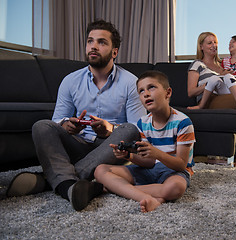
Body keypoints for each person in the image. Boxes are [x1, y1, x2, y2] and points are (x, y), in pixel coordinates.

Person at [6, 19, 147, 211]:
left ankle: (57, 182)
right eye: (90, 41)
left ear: (114, 52)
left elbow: (139, 130)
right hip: (78, 144)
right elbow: (57, 120)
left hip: (111, 149)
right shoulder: (70, 81)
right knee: (42, 126)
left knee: (129, 130)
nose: (93, 47)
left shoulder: (131, 83)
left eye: (101, 42)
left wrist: (110, 130)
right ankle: (78, 184)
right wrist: (67, 126)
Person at [94, 70, 196, 213]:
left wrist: (157, 154)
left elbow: (181, 165)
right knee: (101, 170)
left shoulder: (183, 122)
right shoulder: (143, 123)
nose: (146, 93)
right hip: (150, 170)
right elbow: (149, 162)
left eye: (151, 87)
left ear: (168, 93)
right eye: (141, 91)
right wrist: (128, 156)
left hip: (174, 172)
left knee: (176, 188)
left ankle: (113, 188)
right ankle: (152, 198)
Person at [187, 32, 236, 165]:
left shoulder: (222, 63)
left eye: (215, 42)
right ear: (201, 46)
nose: (214, 46)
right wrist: (208, 85)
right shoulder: (197, 64)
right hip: (210, 99)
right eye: (209, 43)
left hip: (226, 95)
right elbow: (191, 92)